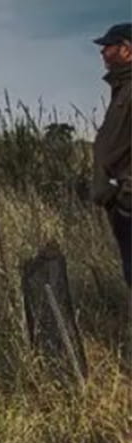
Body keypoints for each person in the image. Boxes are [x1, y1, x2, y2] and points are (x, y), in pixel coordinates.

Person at [90, 23, 132, 286]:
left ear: (127, 49)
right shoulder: (123, 88)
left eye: (109, 46)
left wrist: (127, 199)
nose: (103, 52)